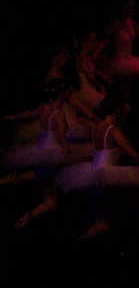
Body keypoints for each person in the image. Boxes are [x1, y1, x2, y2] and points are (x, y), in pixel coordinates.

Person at [55, 92, 139, 238]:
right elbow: (127, 147)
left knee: (102, 221)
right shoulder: (113, 130)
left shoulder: (96, 128)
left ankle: (88, 236)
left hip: (93, 173)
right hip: (107, 176)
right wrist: (137, 156)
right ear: (118, 111)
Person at [5, 78, 92, 230]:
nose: (71, 93)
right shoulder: (59, 114)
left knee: (51, 200)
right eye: (68, 91)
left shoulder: (43, 108)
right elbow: (61, 134)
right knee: (85, 160)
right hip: (52, 155)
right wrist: (65, 147)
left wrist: (12, 117)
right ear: (62, 94)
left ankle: (27, 216)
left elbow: (27, 115)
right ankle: (32, 215)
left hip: (39, 154)